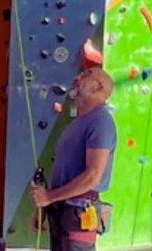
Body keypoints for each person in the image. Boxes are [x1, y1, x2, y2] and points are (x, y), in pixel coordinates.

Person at [30, 68, 117, 251]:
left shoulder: (100, 121)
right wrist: (46, 205)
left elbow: (93, 176)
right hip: (62, 212)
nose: (77, 77)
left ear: (97, 87)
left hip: (78, 212)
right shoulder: (78, 122)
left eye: (86, 75)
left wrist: (49, 197)